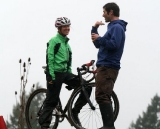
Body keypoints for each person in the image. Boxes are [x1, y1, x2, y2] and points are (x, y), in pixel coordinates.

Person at [39, 17, 90, 129]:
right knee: (52, 101)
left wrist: (70, 77)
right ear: (59, 28)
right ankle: (45, 125)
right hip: (54, 73)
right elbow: (50, 59)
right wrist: (51, 76)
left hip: (65, 73)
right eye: (64, 26)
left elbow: (68, 63)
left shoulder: (66, 44)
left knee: (86, 87)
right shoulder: (54, 41)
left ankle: (74, 112)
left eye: (68, 26)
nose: (67, 28)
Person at [91, 2, 128, 129]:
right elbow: (98, 44)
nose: (103, 15)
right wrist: (94, 29)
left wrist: (100, 39)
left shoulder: (117, 27)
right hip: (104, 66)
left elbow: (114, 45)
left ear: (111, 12)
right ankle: (108, 126)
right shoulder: (112, 27)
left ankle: (109, 126)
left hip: (108, 66)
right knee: (102, 95)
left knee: (102, 95)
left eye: (104, 12)